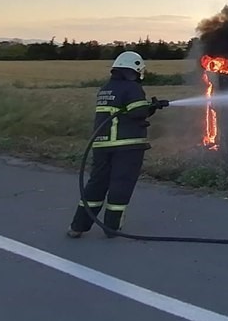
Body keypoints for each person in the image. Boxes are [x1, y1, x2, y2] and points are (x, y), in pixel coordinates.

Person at [67, 51, 166, 237]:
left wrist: (149, 108)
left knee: (96, 184)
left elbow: (124, 111)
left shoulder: (106, 88)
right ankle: (112, 228)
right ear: (135, 69)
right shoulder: (132, 87)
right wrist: (153, 106)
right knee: (121, 185)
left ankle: (77, 226)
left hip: (102, 144)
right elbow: (137, 112)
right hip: (127, 146)